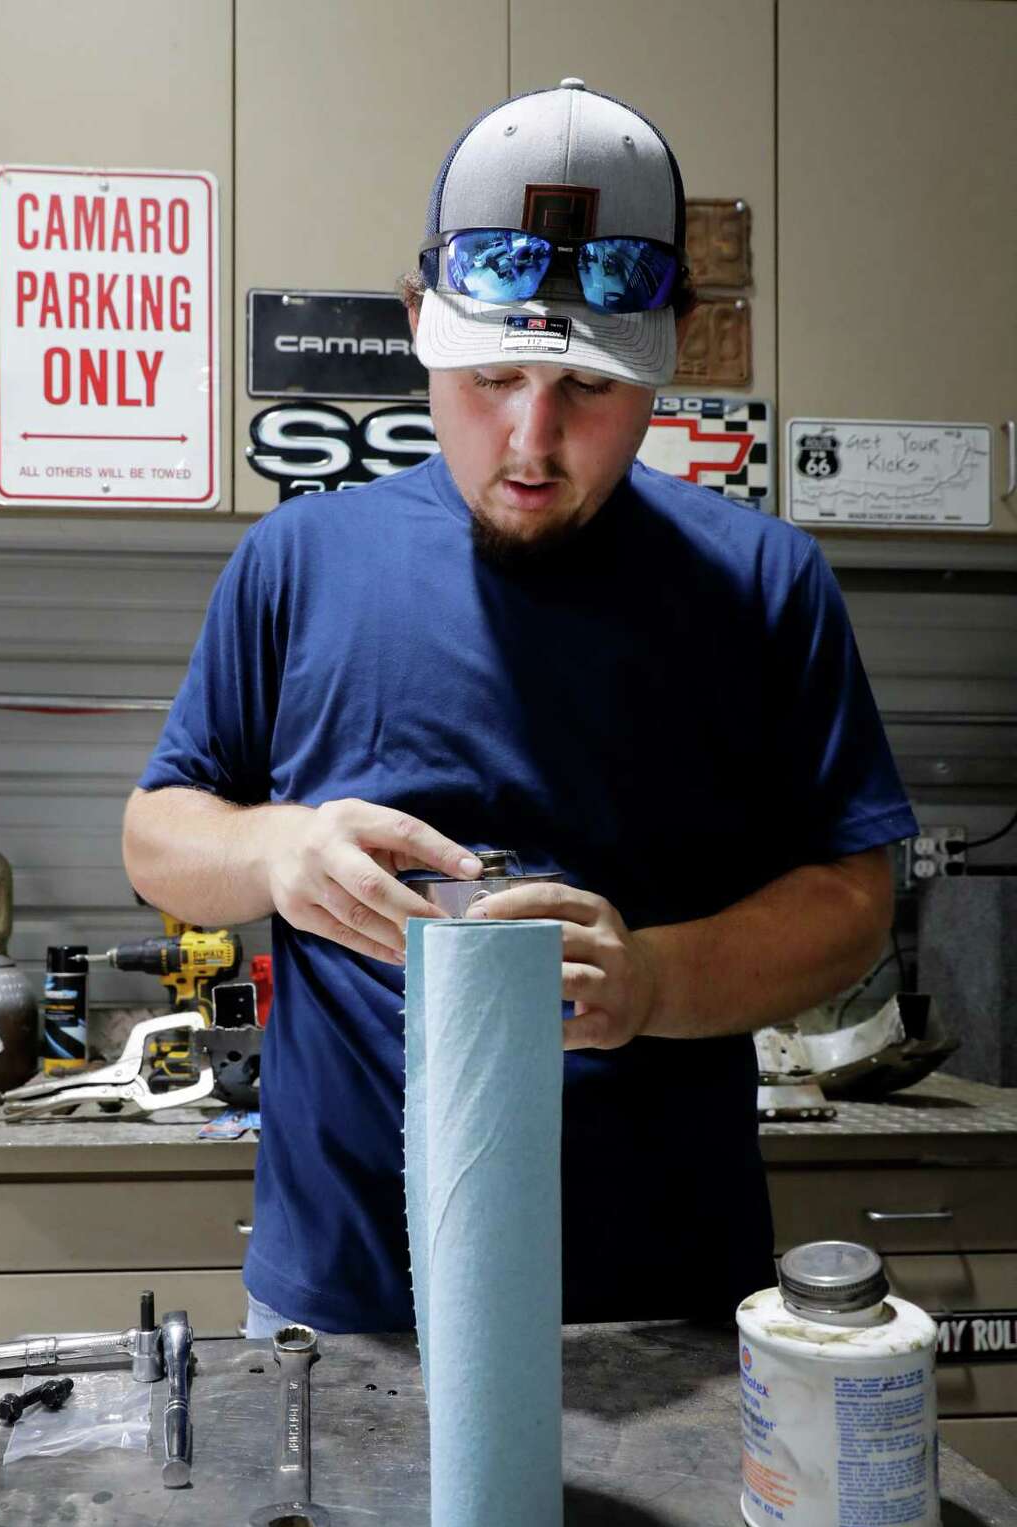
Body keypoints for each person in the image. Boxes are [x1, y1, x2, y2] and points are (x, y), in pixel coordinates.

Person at [124, 79, 915, 1339]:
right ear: (417, 326)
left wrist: (650, 980)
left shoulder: (767, 585)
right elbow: (159, 834)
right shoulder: (301, 562)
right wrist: (281, 850)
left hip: (663, 1301)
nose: (530, 441)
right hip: (349, 1299)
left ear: (674, 349)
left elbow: (850, 903)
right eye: (490, 376)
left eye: (589, 392)